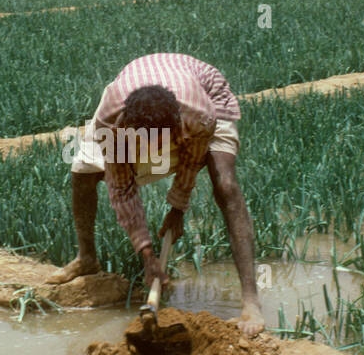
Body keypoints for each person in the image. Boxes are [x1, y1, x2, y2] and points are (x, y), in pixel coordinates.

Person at [50, 53, 265, 337]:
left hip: (206, 90)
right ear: (128, 126)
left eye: (162, 143)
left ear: (176, 128)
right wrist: (147, 253)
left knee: (226, 185)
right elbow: (122, 187)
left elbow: (191, 161)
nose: (155, 153)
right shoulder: (111, 123)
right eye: (144, 143)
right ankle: (87, 258)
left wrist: (177, 209)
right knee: (83, 172)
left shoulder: (199, 115)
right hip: (134, 99)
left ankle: (251, 301)